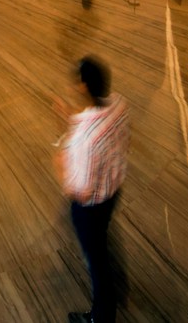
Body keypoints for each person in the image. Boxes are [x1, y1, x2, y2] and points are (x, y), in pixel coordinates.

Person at [56, 55, 130, 323]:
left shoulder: (84, 140)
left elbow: (80, 189)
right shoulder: (119, 104)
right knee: (103, 239)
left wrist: (61, 161)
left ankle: (102, 316)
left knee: (96, 261)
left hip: (91, 206)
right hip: (113, 191)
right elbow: (105, 128)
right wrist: (72, 120)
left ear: (84, 86)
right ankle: (118, 287)